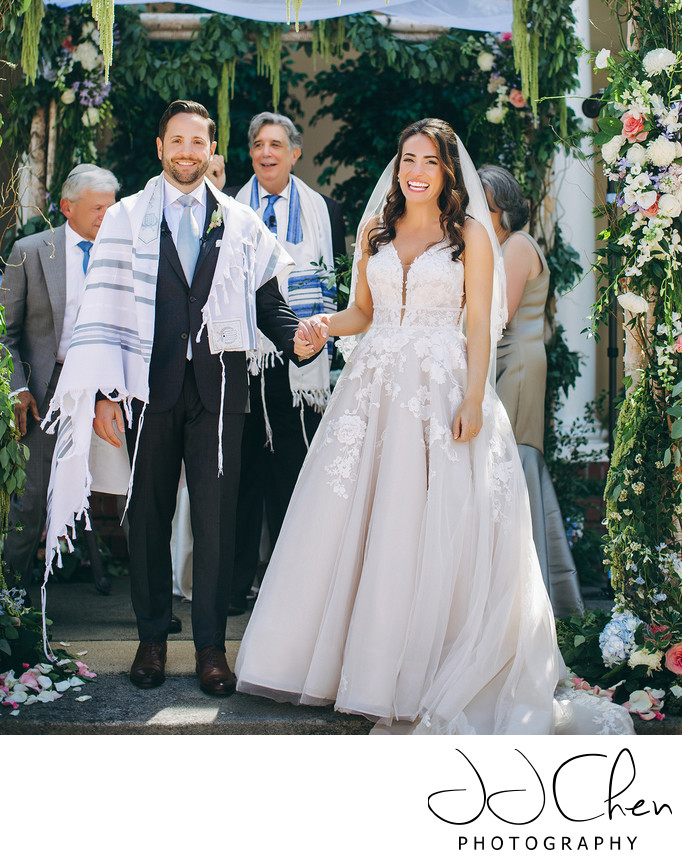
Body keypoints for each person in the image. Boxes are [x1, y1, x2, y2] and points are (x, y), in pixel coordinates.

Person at [235, 119, 633, 735]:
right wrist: (320, 327)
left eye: (428, 161)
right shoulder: (374, 230)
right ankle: (349, 665)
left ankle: (424, 668)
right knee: (363, 520)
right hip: (372, 389)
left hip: (442, 387)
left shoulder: (470, 234)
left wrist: (473, 399)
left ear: (449, 171)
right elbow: (363, 312)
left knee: (433, 519)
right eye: (407, 160)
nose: (415, 172)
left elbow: (481, 326)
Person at [42, 100, 324, 697]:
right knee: (147, 516)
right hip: (148, 386)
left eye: (198, 142)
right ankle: (150, 640)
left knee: (217, 519)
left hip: (220, 391)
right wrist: (104, 394)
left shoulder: (240, 220)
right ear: (160, 147)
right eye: (177, 141)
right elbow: (102, 306)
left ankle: (211, 649)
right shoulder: (125, 218)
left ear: (212, 149)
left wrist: (297, 340)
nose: (188, 152)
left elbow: (266, 300)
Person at [227, 112, 346, 614]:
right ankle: (233, 588)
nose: (266, 152)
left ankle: (286, 592)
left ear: (295, 153)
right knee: (240, 477)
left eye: (276, 144)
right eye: (259, 144)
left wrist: (322, 346)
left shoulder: (325, 211)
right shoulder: (229, 206)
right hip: (243, 360)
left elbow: (335, 284)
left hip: (300, 364)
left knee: (291, 476)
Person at [2, 163, 120, 598]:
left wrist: (111, 392)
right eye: (96, 209)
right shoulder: (30, 251)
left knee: (125, 490)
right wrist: (18, 388)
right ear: (67, 208)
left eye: (111, 207)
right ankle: (11, 599)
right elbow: (5, 333)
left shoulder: (124, 253)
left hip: (104, 389)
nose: (106, 216)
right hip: (43, 389)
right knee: (31, 498)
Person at [478, 165, 583, 618]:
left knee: (513, 459)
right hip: (504, 358)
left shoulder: (517, 246)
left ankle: (528, 598)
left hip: (516, 361)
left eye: (483, 206)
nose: (474, 214)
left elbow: (499, 314)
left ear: (504, 208)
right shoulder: (500, 246)